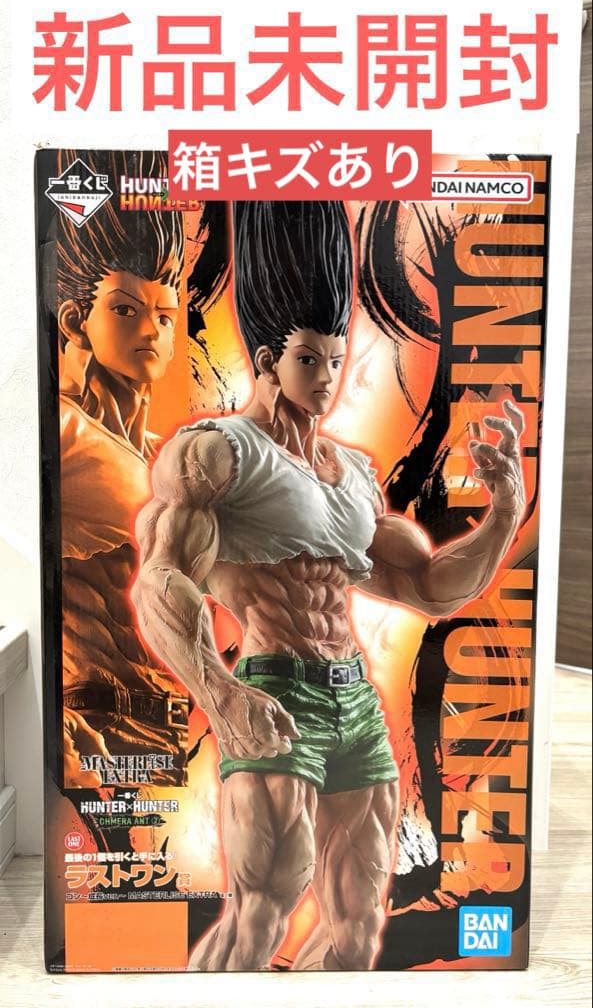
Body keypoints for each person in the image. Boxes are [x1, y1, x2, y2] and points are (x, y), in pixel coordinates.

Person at [132, 200, 525, 970]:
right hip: (275, 696)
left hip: (355, 707)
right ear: (268, 359)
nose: (327, 378)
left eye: (337, 360)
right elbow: (160, 581)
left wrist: (503, 512)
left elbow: (430, 589)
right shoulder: (217, 453)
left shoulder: (352, 476)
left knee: (354, 927)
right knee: (260, 914)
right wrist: (222, 695)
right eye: (308, 360)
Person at [57, 149, 188, 786]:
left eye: (165, 316)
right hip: (93, 732)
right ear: (75, 321)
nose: (153, 332)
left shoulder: (157, 449)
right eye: (127, 309)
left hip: (165, 729)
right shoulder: (64, 432)